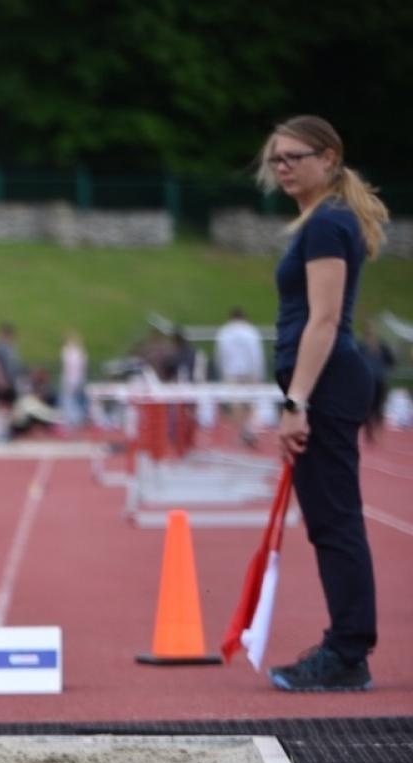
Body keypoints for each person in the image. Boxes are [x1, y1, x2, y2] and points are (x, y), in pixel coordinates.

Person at [259, 115, 388, 693]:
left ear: (329, 158)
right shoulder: (323, 222)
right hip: (324, 380)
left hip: (327, 382)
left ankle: (347, 652)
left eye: (294, 157)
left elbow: (326, 319)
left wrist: (296, 401)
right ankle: (346, 645)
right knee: (330, 519)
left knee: (335, 521)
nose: (282, 167)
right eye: (276, 159)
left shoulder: (327, 224)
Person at [215, 307, 267, 446]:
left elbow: (220, 355)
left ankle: (244, 431)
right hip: (250, 371)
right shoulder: (250, 331)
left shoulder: (225, 332)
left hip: (231, 371)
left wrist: (222, 371)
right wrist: (259, 373)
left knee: (237, 404)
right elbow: (256, 354)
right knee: (251, 403)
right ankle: (250, 430)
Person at [59, 330, 88, 427]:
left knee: (70, 399)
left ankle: (75, 418)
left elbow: (73, 367)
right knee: (70, 399)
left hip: (72, 378)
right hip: (74, 378)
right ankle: (74, 418)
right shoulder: (76, 352)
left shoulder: (72, 352)